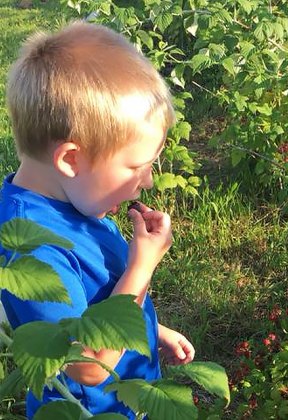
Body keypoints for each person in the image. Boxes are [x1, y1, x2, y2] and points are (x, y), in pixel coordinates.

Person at [0, 21, 195, 418]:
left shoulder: (76, 202)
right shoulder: (33, 250)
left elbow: (100, 297)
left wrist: (152, 332)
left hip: (126, 394)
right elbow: (88, 366)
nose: (149, 181)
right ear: (71, 159)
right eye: (136, 166)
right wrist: (142, 267)